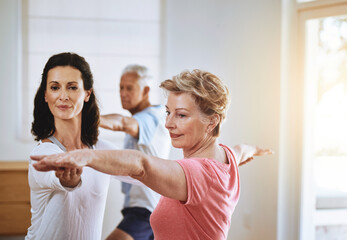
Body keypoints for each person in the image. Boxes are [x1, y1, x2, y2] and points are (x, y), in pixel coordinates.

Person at [31, 69, 272, 240]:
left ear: (212, 122)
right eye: (168, 112)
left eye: (181, 115)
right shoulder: (227, 155)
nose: (168, 124)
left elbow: (141, 165)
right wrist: (254, 150)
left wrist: (84, 156)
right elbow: (242, 150)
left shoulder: (199, 173)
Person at [25, 52, 139, 240]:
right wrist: (68, 181)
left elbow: (143, 172)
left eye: (72, 87)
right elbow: (55, 176)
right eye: (55, 87)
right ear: (45, 95)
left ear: (87, 93)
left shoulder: (100, 149)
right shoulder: (43, 154)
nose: (63, 96)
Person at [100, 65, 171, 240]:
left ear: (146, 90)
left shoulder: (153, 116)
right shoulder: (140, 117)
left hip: (146, 210)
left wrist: (83, 118)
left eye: (129, 88)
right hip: (139, 208)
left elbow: (123, 123)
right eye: (121, 87)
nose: (123, 93)